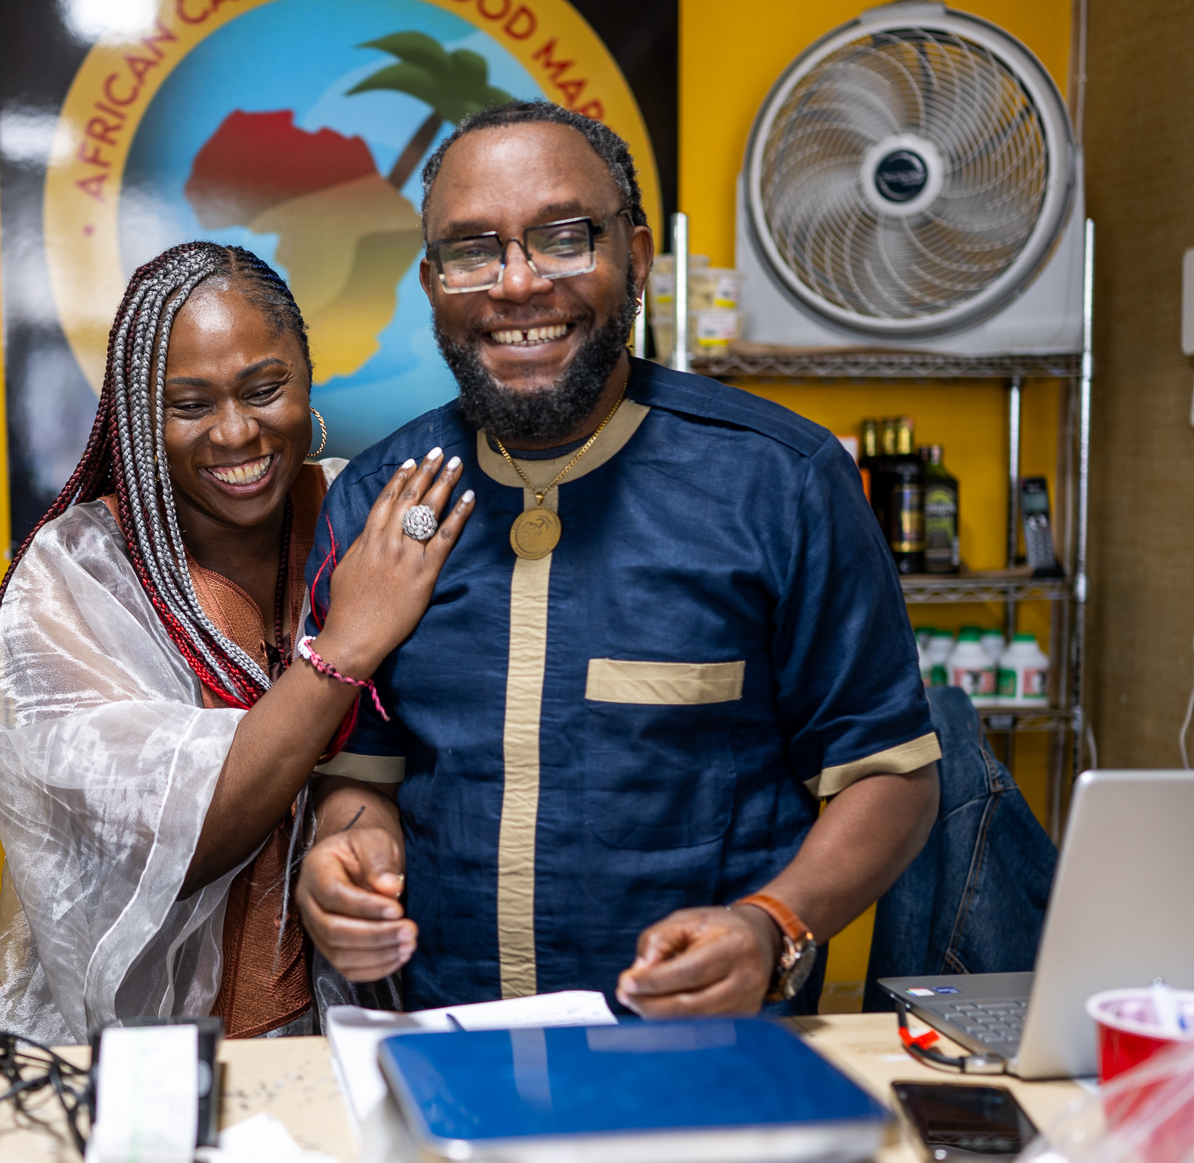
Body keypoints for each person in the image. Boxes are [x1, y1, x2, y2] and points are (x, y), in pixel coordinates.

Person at [294, 102, 942, 1018]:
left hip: (707, 1059)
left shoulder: (782, 482)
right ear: (434, 282)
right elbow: (365, 775)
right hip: (448, 1043)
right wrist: (347, 856)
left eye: (562, 238)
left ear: (635, 259)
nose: (517, 285)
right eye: (473, 250)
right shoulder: (379, 499)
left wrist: (773, 923)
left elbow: (891, 773)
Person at [0, 242, 473, 1044]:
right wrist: (344, 647)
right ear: (137, 415)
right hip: (132, 1058)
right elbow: (177, 842)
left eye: (265, 389)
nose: (237, 433)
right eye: (189, 404)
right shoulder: (76, 574)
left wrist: (361, 833)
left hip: (345, 1034)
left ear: (308, 375)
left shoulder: (365, 516)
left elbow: (421, 749)